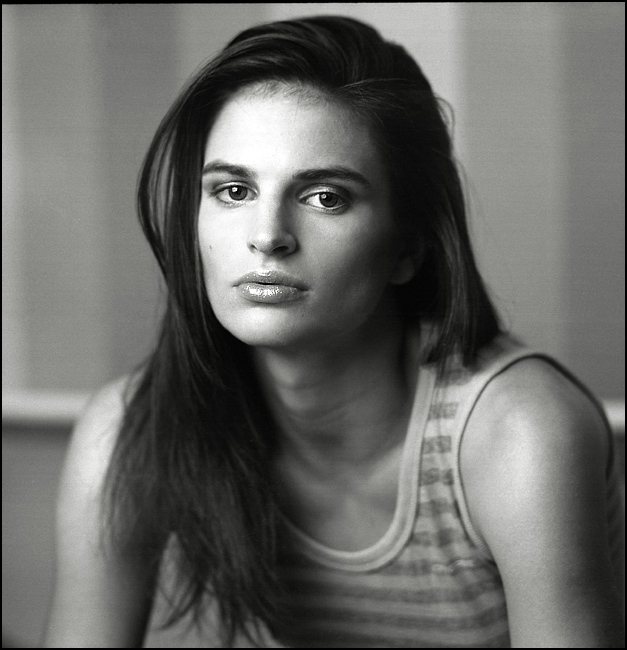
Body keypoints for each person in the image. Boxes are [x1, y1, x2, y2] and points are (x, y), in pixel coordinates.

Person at [44, 15, 624, 649]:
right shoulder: (130, 431)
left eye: (325, 197)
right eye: (233, 190)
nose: (268, 235)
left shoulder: (517, 434)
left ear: (408, 246)